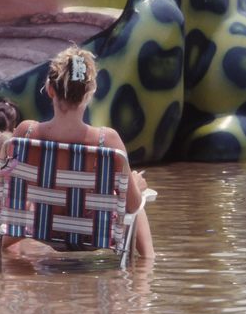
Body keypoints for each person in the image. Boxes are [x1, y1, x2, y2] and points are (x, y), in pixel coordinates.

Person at [12, 46, 155, 259]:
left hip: (44, 230)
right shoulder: (107, 140)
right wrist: (135, 187)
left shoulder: (26, 133)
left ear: (50, 90)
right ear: (90, 93)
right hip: (93, 235)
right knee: (136, 198)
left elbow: (12, 187)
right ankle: (148, 265)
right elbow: (132, 206)